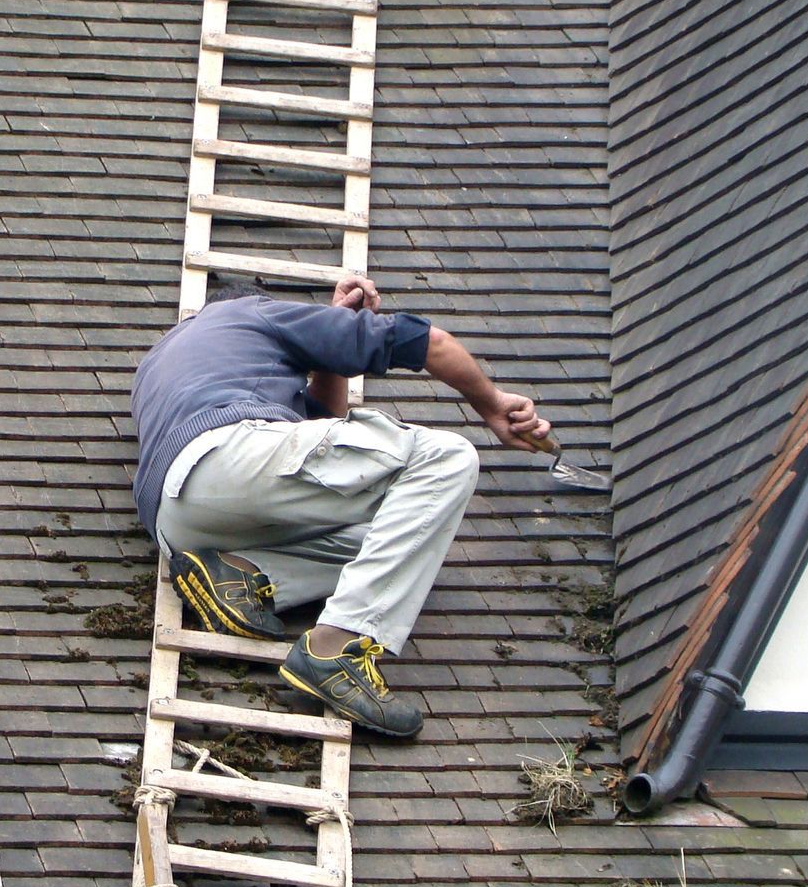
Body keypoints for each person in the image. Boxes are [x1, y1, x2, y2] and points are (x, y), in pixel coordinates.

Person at [130, 275, 549, 737]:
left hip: (178, 522)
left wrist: (328, 352)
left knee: (408, 532)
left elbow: (319, 436)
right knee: (446, 459)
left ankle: (244, 572)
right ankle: (336, 647)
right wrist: (491, 403)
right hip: (230, 455)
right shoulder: (254, 311)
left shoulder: (158, 364)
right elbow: (427, 341)